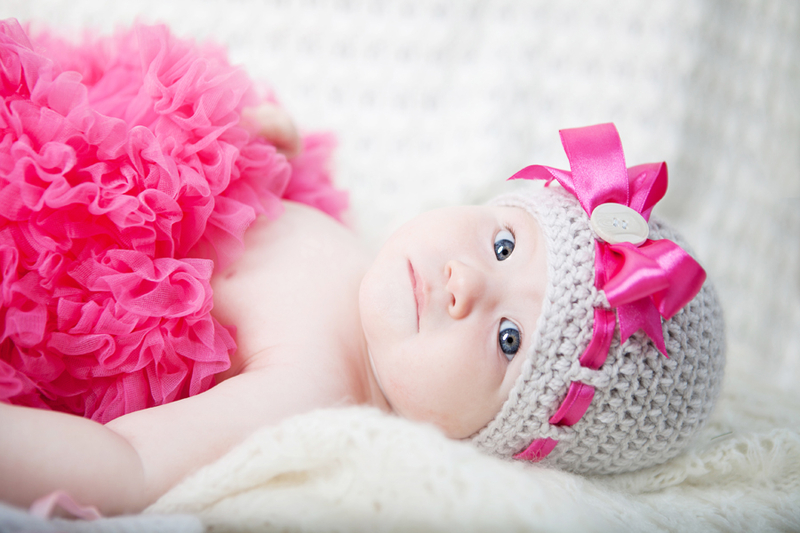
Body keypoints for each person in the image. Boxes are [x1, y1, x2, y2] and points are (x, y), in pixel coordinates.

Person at [0, 20, 725, 517]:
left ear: (492, 444)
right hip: (55, 156)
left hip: (34, 268)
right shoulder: (365, 261)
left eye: (509, 340)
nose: (466, 283)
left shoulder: (313, 387)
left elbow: (127, 463)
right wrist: (257, 153)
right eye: (504, 246)